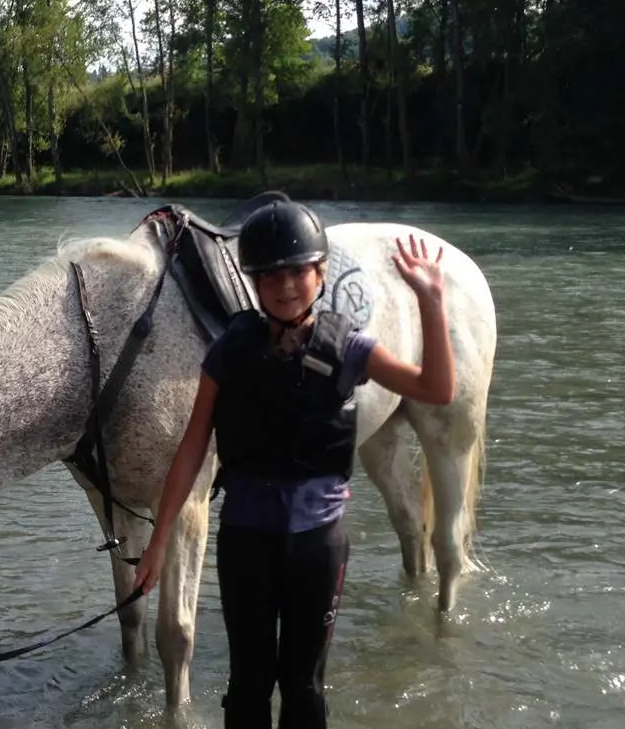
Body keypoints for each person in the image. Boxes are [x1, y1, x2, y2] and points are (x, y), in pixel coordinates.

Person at [133, 197, 456, 729]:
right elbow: (193, 447)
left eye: (297, 273)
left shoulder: (349, 348)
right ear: (255, 284)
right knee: (248, 688)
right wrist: (160, 540)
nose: (285, 286)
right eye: (271, 276)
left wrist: (431, 301)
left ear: (320, 274)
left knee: (303, 687)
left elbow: (436, 389)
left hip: (316, 547)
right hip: (246, 545)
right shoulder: (228, 352)